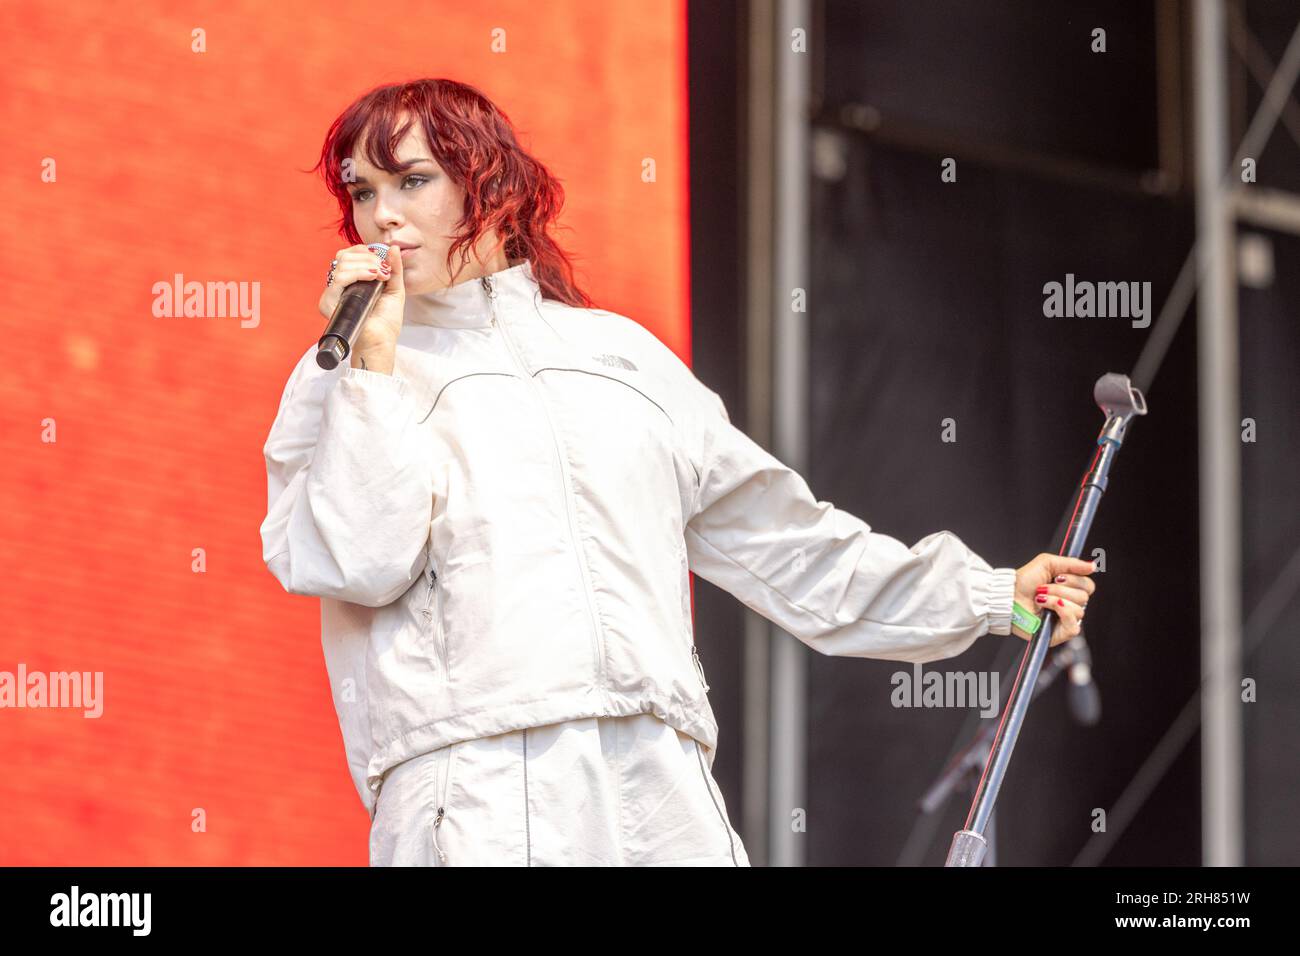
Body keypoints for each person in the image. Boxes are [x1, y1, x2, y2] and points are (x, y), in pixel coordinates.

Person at [258, 78, 1097, 867]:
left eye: (410, 182)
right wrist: (368, 371)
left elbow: (789, 543)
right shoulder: (349, 371)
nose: (382, 218)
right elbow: (358, 560)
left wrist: (990, 597)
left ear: (490, 186)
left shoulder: (621, 357)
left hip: (660, 775)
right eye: (362, 193)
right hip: (471, 778)